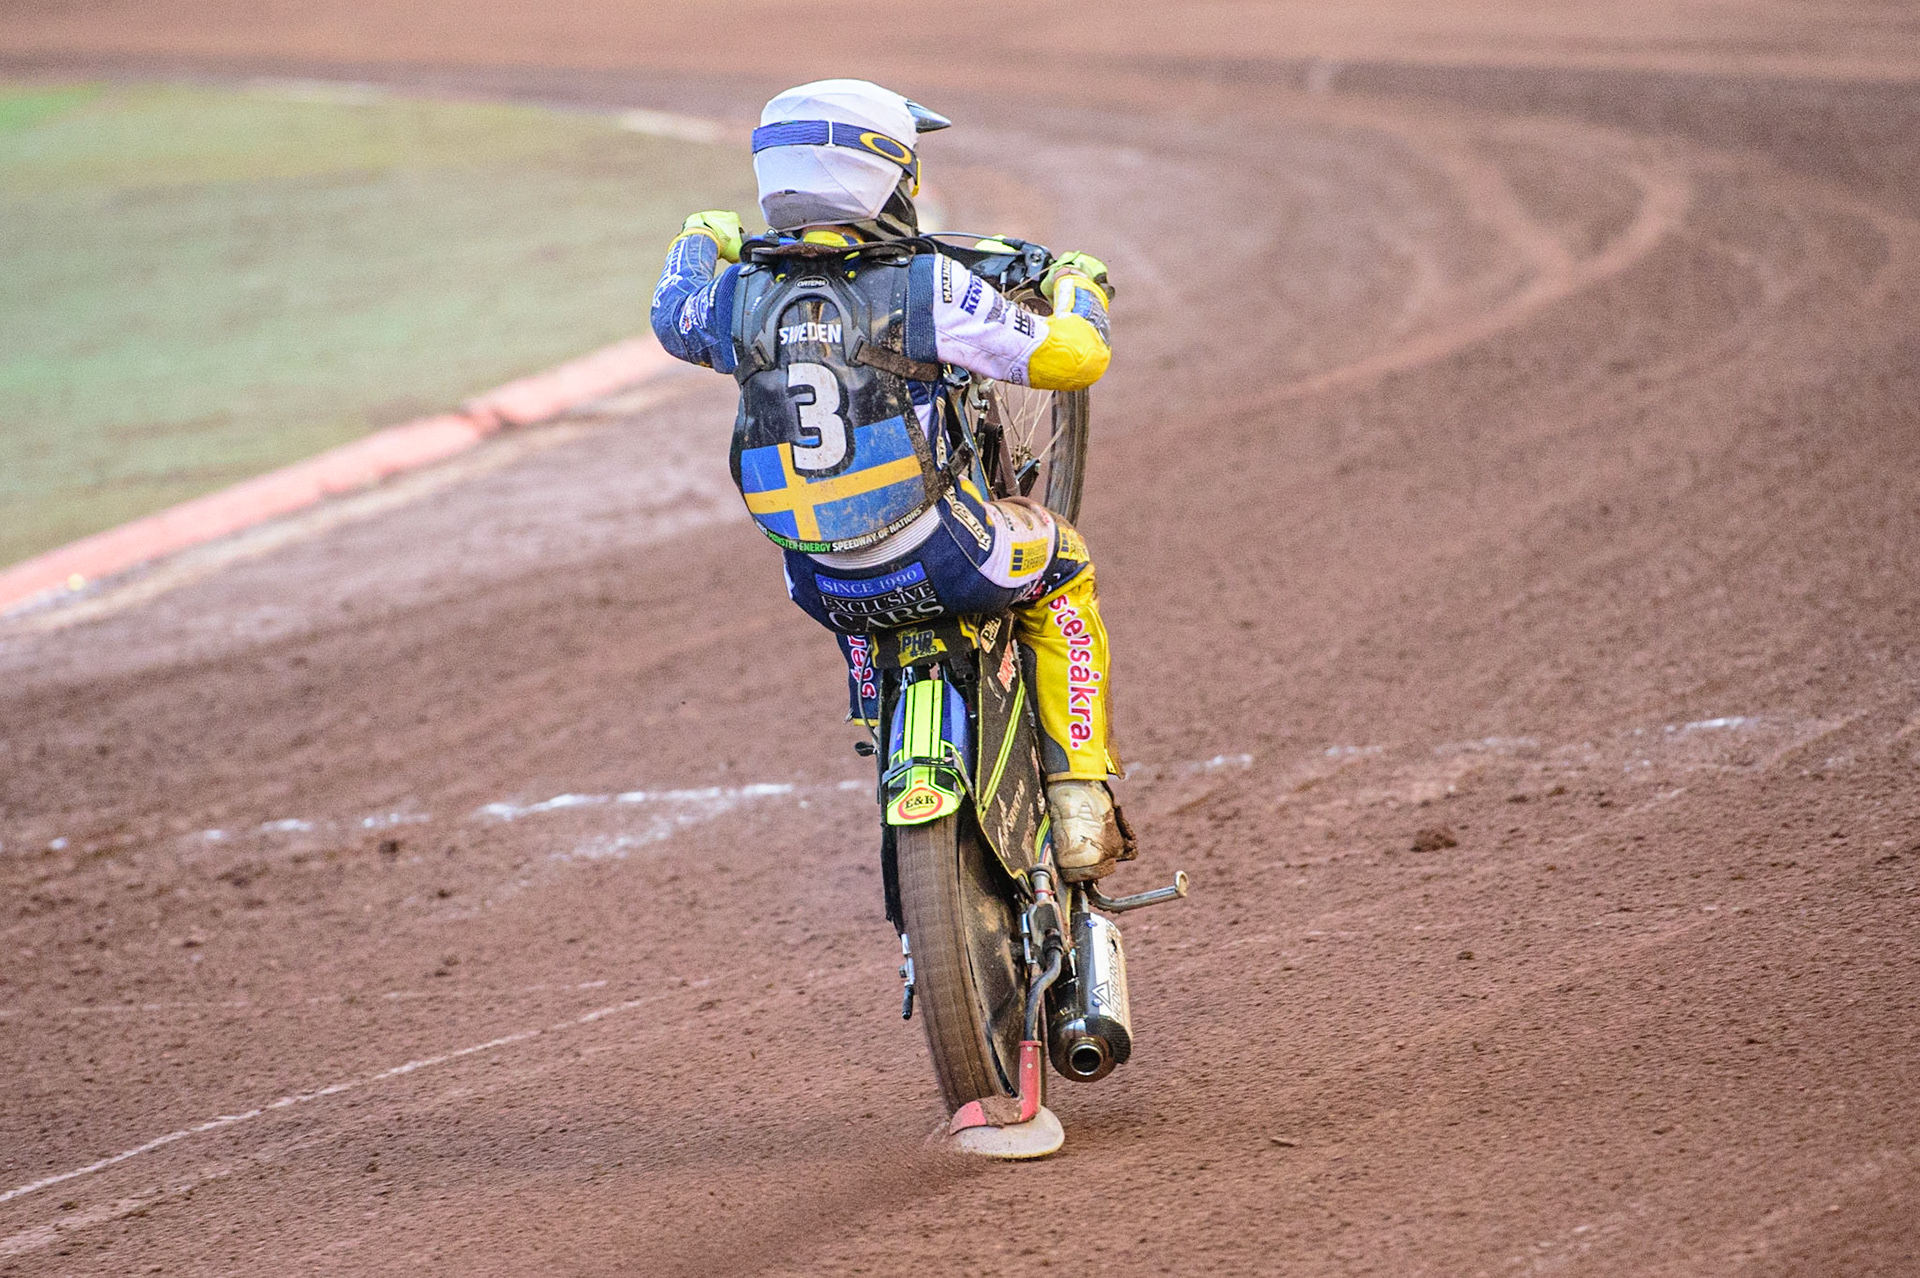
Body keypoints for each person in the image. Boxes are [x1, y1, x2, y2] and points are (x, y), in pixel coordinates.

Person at [650, 79, 1130, 881]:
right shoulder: (926, 287)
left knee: (849, 562)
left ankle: (883, 716)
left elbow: (672, 309)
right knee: (1064, 566)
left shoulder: (734, 297)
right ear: (883, 176)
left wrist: (702, 235)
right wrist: (1080, 288)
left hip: (817, 584)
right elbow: (1075, 358)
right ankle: (1081, 799)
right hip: (951, 557)